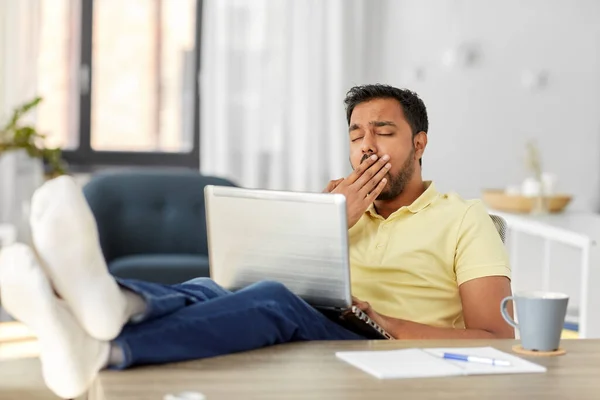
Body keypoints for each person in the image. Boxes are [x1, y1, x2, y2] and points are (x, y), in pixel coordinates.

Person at [0, 84, 513, 399]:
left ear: (419, 143)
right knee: (215, 285)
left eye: (383, 132)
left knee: (271, 303)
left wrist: (387, 321)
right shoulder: (339, 204)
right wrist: (329, 219)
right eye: (356, 135)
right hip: (326, 318)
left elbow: (496, 337)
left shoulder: (465, 219)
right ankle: (112, 305)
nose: (366, 148)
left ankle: (109, 348)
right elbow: (269, 275)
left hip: (387, 346)